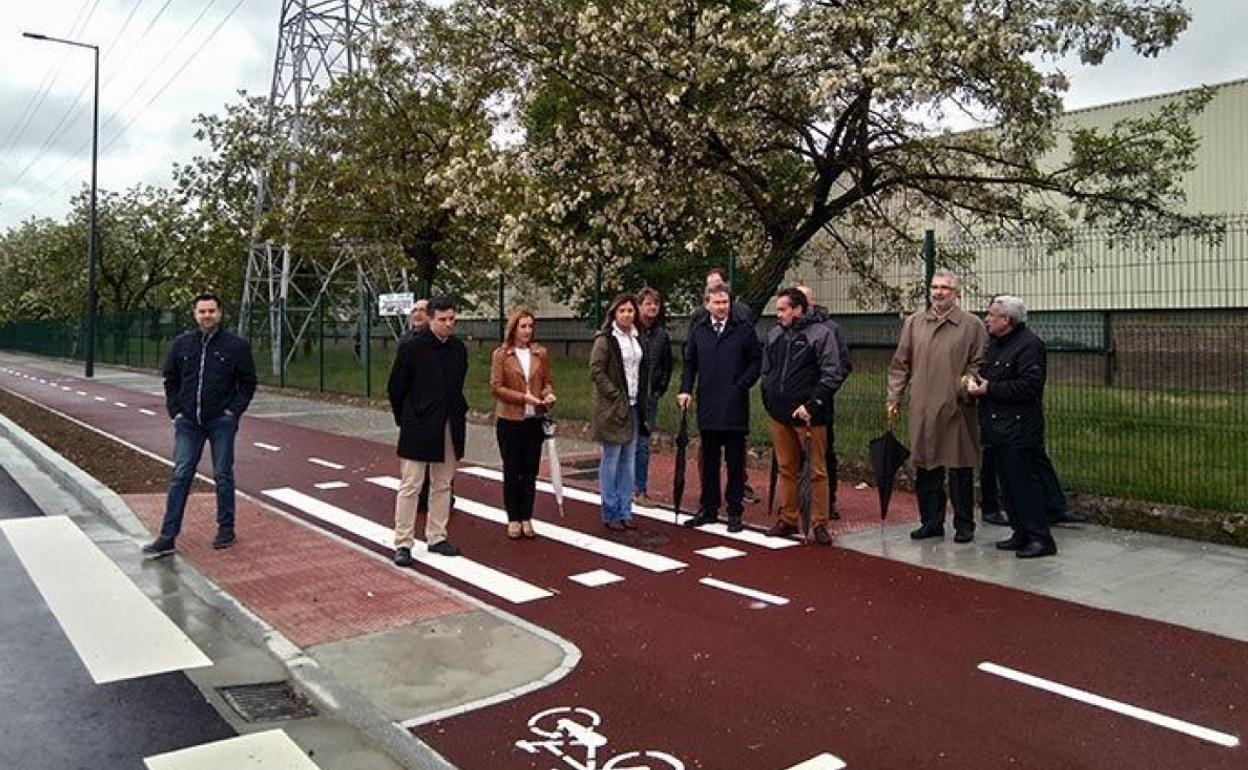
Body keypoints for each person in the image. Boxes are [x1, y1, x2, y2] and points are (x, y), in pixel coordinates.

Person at [143, 292, 257, 557]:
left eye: (212, 311)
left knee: (223, 474)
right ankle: (167, 536)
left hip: (221, 422)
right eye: (202, 311)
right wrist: (176, 411)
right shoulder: (182, 344)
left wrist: (233, 412)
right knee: (181, 474)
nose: (207, 315)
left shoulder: (236, 346)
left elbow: (248, 383)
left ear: (220, 313)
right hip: (188, 423)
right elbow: (170, 378)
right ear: (195, 314)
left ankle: (226, 528)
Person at [886, 270, 988, 544]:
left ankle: (964, 524)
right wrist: (894, 397)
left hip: (956, 407)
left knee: (959, 468)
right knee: (926, 466)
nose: (939, 292)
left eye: (945, 288)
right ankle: (930, 521)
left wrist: (964, 385)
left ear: (956, 293)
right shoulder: (914, 323)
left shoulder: (971, 325)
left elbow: (979, 362)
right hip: (922, 406)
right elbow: (900, 364)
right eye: (935, 287)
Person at [967, 295, 1059, 558]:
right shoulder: (997, 344)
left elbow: (1030, 386)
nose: (987, 319)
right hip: (997, 428)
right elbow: (990, 372)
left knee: (1024, 485)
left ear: (1006, 320)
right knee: (1007, 485)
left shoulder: (1030, 346)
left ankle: (1040, 537)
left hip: (1019, 430)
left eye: (992, 315)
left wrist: (990, 388)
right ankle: (1021, 532)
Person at [388, 295, 468, 562]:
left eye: (452, 319)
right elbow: (396, 387)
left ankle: (437, 536)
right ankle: (403, 542)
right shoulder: (412, 348)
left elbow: (458, 385)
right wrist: (407, 418)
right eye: (443, 319)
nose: (448, 324)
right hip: (418, 424)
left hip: (449, 423)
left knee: (443, 483)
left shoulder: (458, 349)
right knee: (411, 484)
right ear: (431, 319)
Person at [759, 288, 841, 545]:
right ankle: (789, 517)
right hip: (780, 414)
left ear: (798, 309)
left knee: (816, 471)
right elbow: (767, 370)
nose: (778, 315)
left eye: (783, 309)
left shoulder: (821, 334)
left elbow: (832, 374)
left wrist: (812, 405)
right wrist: (770, 400)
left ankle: (819, 523)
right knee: (786, 468)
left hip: (810, 417)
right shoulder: (775, 335)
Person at [678, 284, 762, 532]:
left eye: (725, 302)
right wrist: (685, 389)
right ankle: (709, 508)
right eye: (717, 302)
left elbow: (756, 360)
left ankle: (735, 511)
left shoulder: (743, 329)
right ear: (707, 304)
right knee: (710, 459)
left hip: (735, 405)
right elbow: (689, 363)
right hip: (708, 404)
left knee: (735, 461)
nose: (722, 307)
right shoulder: (698, 330)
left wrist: (742, 384)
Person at [490, 307, 557, 539]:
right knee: (512, 469)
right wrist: (522, 398)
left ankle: (527, 516)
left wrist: (548, 395)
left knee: (530, 470)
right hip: (510, 419)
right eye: (523, 326)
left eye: (530, 326)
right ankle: (513, 517)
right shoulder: (502, 354)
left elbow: (547, 382)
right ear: (514, 328)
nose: (527, 331)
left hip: (533, 419)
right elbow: (496, 387)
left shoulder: (540, 353)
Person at [590, 293, 649, 532]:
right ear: (614, 313)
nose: (627, 314)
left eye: (630, 310)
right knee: (611, 458)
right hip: (614, 407)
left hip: (634, 406)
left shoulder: (637, 337)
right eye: (622, 311)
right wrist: (614, 394)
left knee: (629, 460)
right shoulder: (606, 339)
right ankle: (610, 510)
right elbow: (596, 370)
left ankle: (626, 510)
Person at [797, 285, 852, 520]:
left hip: (820, 403)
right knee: (794, 455)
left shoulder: (830, 329)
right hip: (791, 404)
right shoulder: (786, 328)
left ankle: (827, 501)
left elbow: (842, 366)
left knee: (824, 453)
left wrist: (822, 393)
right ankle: (798, 500)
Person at [633, 287, 672, 507]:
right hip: (630, 397)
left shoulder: (661, 334)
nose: (652, 307)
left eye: (655, 304)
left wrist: (659, 389)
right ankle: (624, 488)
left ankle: (640, 489)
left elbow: (667, 365)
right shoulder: (630, 331)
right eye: (647, 303)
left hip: (650, 397)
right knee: (627, 444)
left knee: (644, 444)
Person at [400, 298, 432, 513]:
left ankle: (436, 496)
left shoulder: (438, 342)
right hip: (413, 410)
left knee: (437, 459)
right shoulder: (406, 341)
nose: (418, 314)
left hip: (434, 408)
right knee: (413, 461)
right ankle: (417, 496)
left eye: (423, 310)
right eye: (414, 310)